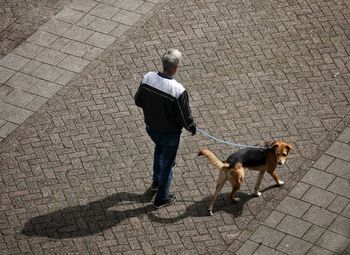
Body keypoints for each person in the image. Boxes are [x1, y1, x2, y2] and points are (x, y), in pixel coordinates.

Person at [134, 49, 196, 209]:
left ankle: (156, 181)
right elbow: (185, 116)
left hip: (152, 128)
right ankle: (162, 197)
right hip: (170, 134)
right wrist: (192, 127)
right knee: (168, 162)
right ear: (176, 68)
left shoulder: (148, 78)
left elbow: (138, 100)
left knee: (159, 150)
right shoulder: (178, 90)